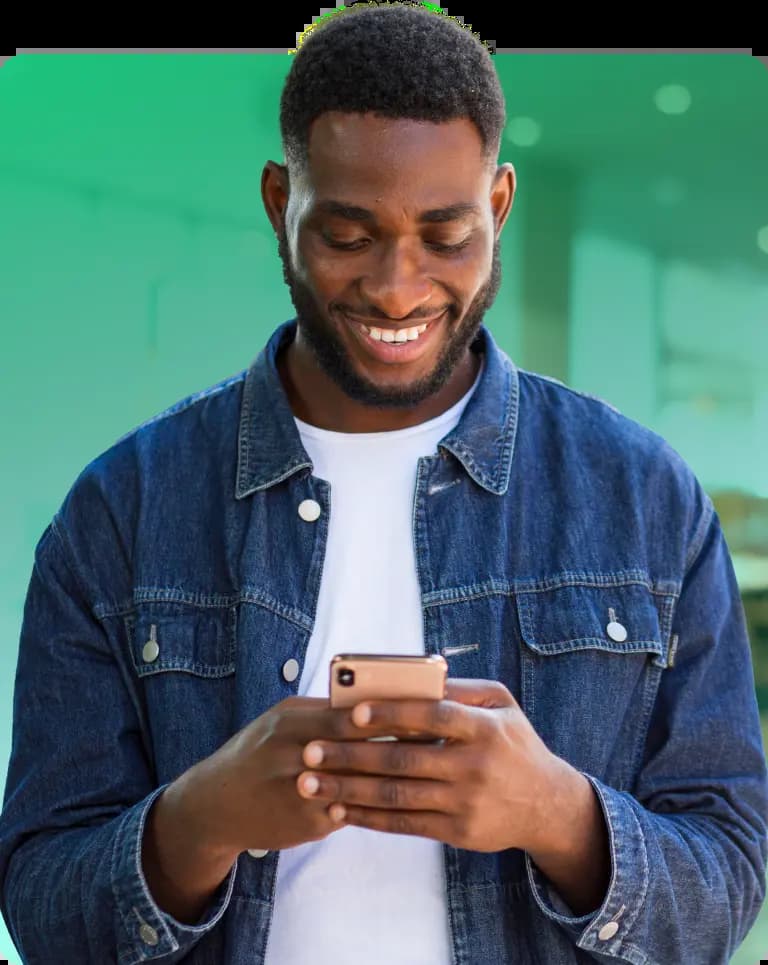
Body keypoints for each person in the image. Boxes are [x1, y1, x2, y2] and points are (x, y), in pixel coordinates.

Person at [1, 6, 767, 964]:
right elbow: (39, 902)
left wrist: (560, 817)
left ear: (499, 207)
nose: (398, 289)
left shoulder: (645, 498)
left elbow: (732, 872)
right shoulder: (121, 512)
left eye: (445, 236)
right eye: (348, 236)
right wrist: (198, 820)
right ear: (282, 205)